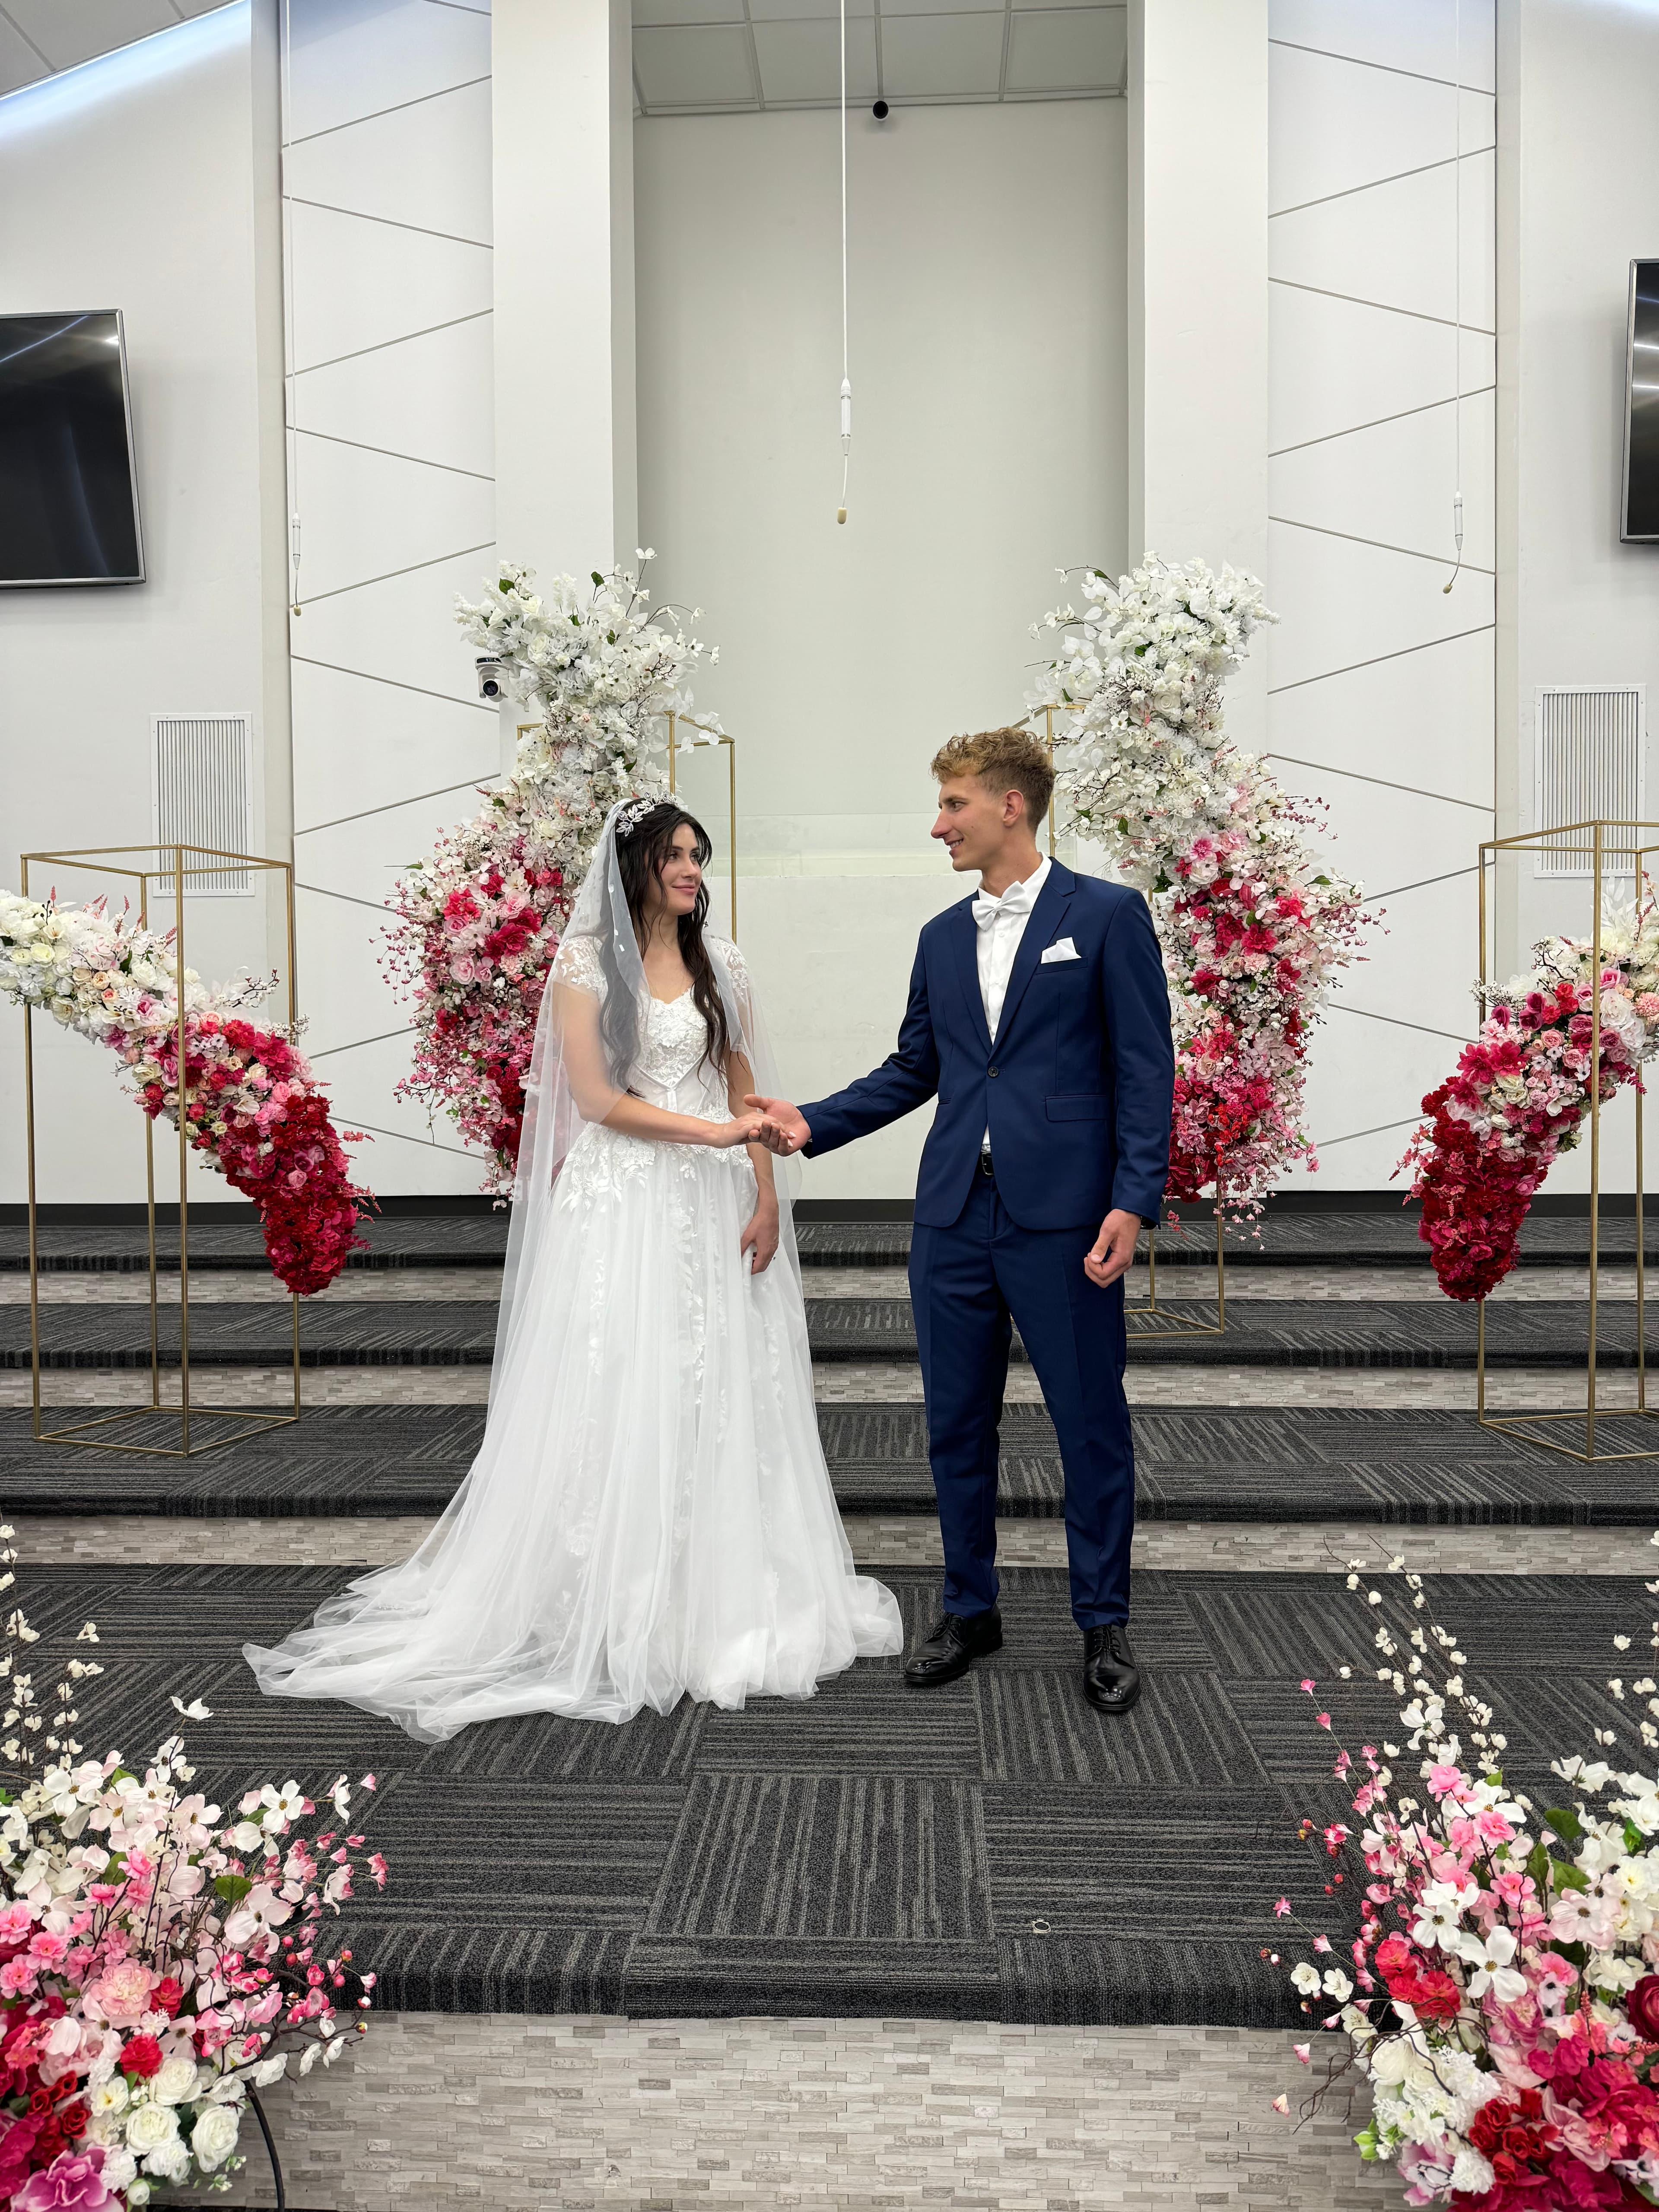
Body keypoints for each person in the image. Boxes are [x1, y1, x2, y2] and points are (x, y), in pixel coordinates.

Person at [245, 798, 902, 1738]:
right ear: (633, 864)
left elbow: (747, 1085)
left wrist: (762, 1189)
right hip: (626, 1198)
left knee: (719, 1378)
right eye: (674, 854)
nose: (690, 869)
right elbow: (596, 1100)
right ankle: (609, 1595)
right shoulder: (587, 965)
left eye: (697, 856)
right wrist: (712, 1131)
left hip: (713, 1197)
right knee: (621, 1375)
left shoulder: (727, 964)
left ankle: (720, 1593)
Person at [748, 728, 1173, 1715]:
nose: (937, 824)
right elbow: (918, 1067)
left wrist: (1131, 1199)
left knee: (1090, 1424)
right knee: (954, 1424)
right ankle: (970, 1606)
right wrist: (812, 1123)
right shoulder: (942, 936)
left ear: (1011, 806)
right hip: (952, 1217)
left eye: (953, 805)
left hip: (1068, 1221)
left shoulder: (1107, 916)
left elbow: (1147, 1071)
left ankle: (1102, 1621)